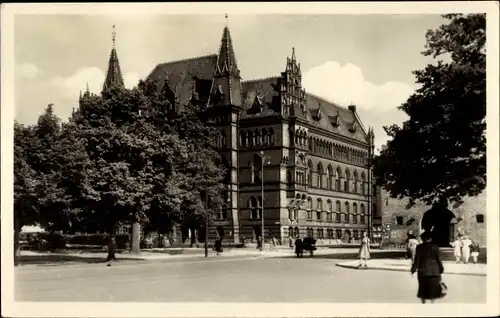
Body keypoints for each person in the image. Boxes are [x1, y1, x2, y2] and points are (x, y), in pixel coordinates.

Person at [411, 230, 444, 304]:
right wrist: (441, 269)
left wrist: (413, 270)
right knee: (433, 291)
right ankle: (432, 305)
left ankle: (424, 305)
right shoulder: (435, 247)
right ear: (430, 239)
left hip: (423, 272)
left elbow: (417, 260)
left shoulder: (419, 247)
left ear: (422, 239)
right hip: (434, 272)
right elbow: (438, 260)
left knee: (423, 290)